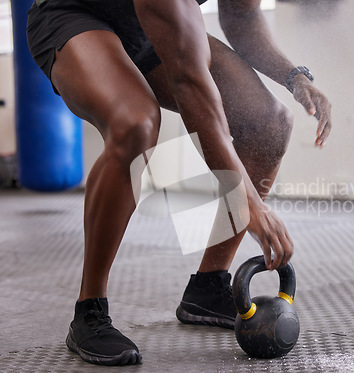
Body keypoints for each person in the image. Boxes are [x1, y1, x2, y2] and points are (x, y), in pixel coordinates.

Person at [26, 0, 332, 366]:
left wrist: (293, 75)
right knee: (136, 123)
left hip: (145, 28)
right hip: (74, 14)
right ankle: (89, 309)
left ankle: (207, 286)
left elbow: (243, 16)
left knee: (270, 122)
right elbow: (190, 85)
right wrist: (248, 200)